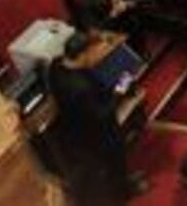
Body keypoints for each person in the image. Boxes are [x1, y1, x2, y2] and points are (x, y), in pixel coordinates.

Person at [46, 32, 144, 205]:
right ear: (83, 54)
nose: (97, 57)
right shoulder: (80, 88)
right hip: (98, 133)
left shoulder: (56, 66)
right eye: (94, 53)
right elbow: (103, 113)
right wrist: (120, 90)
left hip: (74, 126)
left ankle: (123, 184)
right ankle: (123, 193)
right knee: (115, 164)